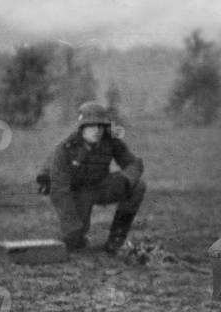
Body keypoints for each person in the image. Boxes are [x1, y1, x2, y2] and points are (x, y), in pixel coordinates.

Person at [37, 101, 145, 253]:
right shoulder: (66, 148)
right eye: (92, 125)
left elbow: (134, 163)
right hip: (77, 192)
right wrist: (71, 224)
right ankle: (77, 237)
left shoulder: (111, 141)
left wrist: (126, 178)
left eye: (101, 126)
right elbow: (59, 190)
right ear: (82, 128)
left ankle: (117, 239)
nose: (98, 130)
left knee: (137, 186)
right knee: (73, 241)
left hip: (100, 186)